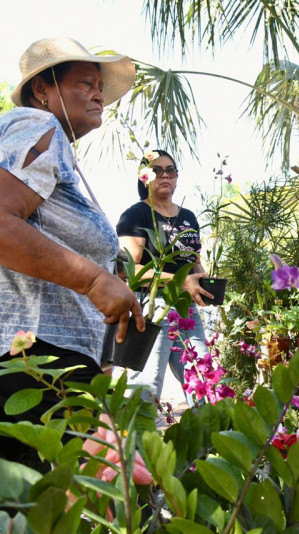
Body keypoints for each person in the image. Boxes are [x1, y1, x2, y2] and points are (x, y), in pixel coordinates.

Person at [0, 37, 142, 464]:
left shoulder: (55, 147)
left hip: (50, 366)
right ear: (43, 88)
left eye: (99, 85)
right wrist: (95, 280)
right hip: (37, 367)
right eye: (85, 83)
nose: (99, 94)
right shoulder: (37, 125)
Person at [116, 149, 213, 402]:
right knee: (146, 388)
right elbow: (127, 271)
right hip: (151, 310)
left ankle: (209, 429)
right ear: (144, 177)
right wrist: (178, 280)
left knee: (204, 382)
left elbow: (194, 262)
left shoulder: (188, 217)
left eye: (170, 170)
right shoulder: (135, 215)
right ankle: (139, 429)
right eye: (157, 171)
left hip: (186, 309)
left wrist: (204, 281)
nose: (165, 175)